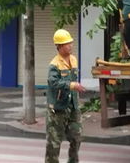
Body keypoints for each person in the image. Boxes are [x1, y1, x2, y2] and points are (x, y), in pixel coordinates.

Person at [45, 29, 85, 163]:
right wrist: (72, 85)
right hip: (57, 109)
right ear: (60, 46)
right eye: (67, 44)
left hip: (73, 107)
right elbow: (53, 82)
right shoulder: (54, 64)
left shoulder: (73, 60)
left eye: (71, 43)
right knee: (54, 143)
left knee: (77, 137)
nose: (71, 46)